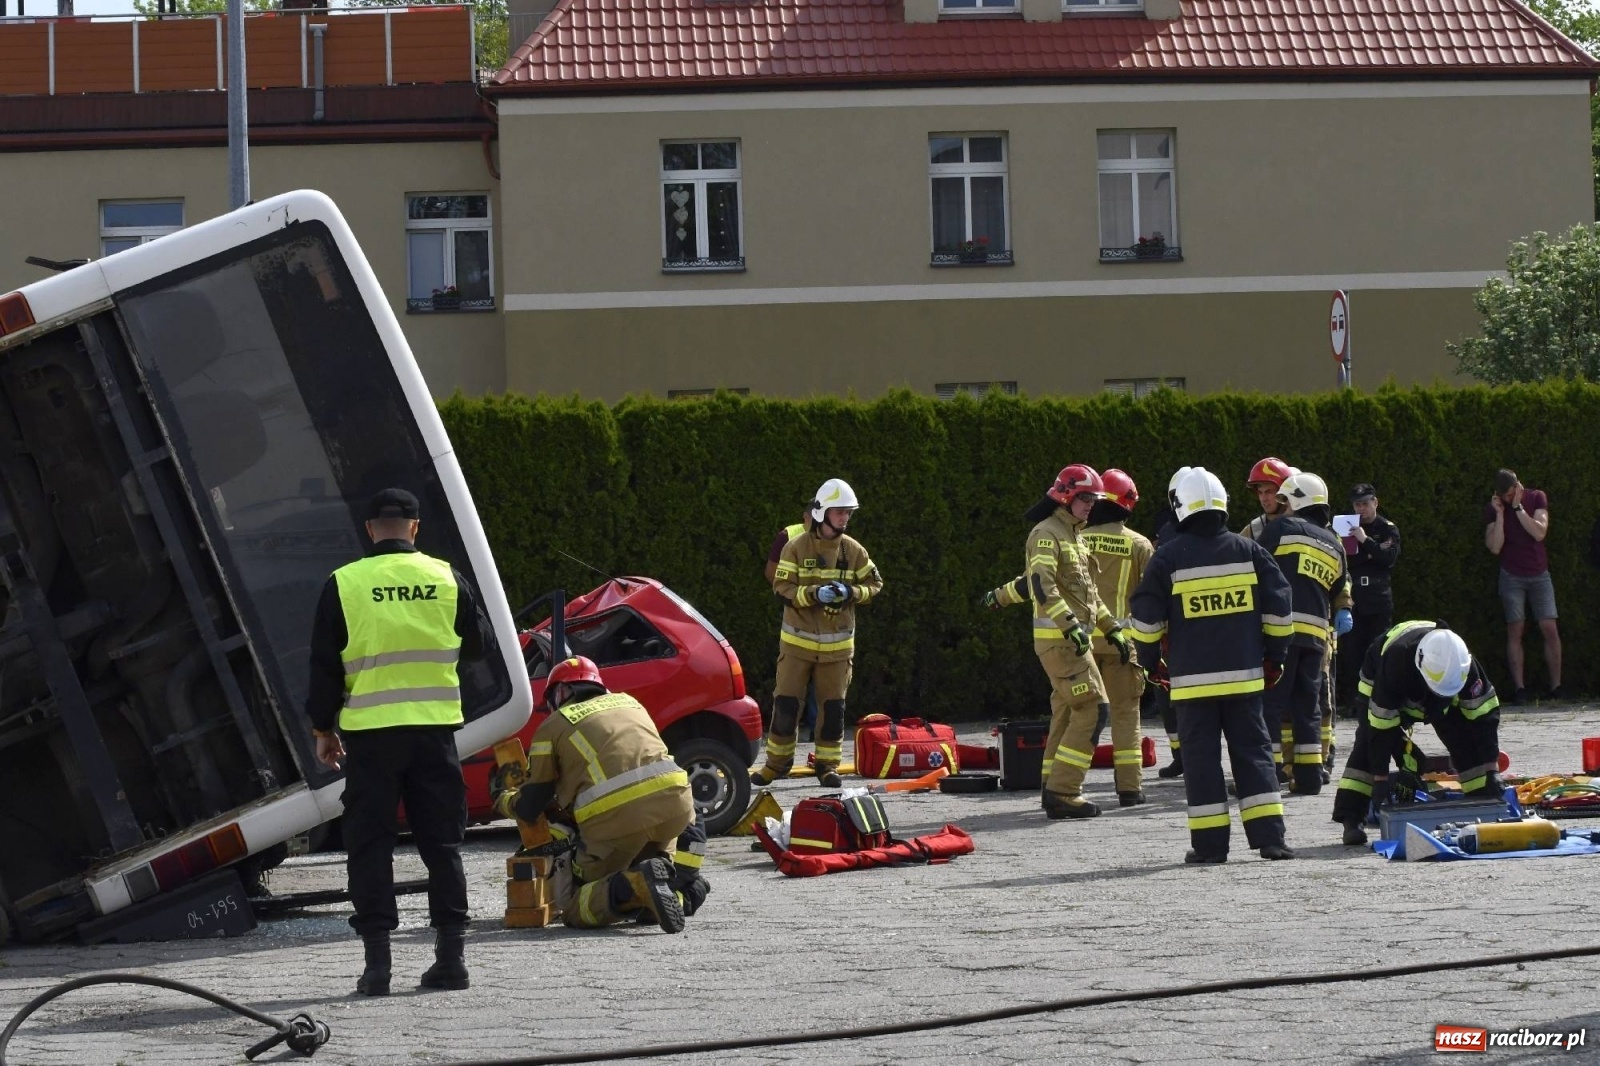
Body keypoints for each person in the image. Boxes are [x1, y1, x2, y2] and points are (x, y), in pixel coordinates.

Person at [305, 488, 494, 997]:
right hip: (434, 734)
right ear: (414, 527)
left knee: (370, 847)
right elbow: (477, 647)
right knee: (443, 845)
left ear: (369, 529)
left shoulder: (344, 583)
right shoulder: (446, 578)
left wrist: (324, 730)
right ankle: (451, 961)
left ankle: (377, 970)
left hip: (370, 738)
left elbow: (323, 667)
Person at [1129, 467, 1296, 863]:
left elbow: (1147, 621)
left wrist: (1152, 665)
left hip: (1191, 686)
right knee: (1254, 755)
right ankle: (1271, 839)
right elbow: (1280, 612)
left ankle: (1209, 847)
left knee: (1201, 764)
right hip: (1244, 681)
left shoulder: (1167, 558)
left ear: (1179, 507)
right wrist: (1275, 658)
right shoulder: (1250, 551)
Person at [492, 655, 699, 931]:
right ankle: (676, 890)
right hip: (677, 809)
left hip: (618, 820)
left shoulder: (553, 725)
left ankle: (633, 886)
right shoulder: (631, 703)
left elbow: (532, 803)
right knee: (648, 861)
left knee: (578, 904)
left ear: (561, 692)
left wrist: (504, 800)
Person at [985, 465, 1132, 818]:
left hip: (1069, 643)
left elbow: (1090, 595)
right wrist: (1071, 627)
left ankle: (1052, 785)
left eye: (1093, 499)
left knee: (1068, 712)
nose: (1090, 506)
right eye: (1084, 498)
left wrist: (1111, 628)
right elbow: (1041, 586)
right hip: (1061, 644)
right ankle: (1064, 793)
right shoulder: (1046, 534)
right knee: (1095, 709)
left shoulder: (1075, 536)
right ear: (1065, 495)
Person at [752, 478, 883, 789]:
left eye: (848, 513)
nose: (845, 518)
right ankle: (776, 765)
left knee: (832, 710)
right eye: (840, 512)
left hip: (838, 650)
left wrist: (849, 591)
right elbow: (782, 587)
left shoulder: (854, 551)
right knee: (786, 705)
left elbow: (875, 586)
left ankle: (827, 766)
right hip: (797, 644)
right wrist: (813, 595)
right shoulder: (796, 547)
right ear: (823, 512)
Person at [1331, 622, 1501, 845]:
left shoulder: (1464, 665)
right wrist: (1380, 779)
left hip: (1435, 691)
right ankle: (1352, 819)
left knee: (1465, 740)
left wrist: (1492, 768)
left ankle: (1482, 803)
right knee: (1367, 743)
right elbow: (1380, 729)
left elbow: (1483, 718)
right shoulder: (1396, 662)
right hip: (1378, 680)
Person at [1257, 473, 1348, 796]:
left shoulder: (1281, 529)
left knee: (1270, 703)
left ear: (1296, 501)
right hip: (1317, 638)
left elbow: (1256, 565)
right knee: (1307, 706)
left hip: (1282, 632)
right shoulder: (1334, 543)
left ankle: (1266, 775)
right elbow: (1338, 589)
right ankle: (1309, 777)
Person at [1080, 469, 1154, 804]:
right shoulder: (1139, 545)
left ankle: (1062, 787)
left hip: (1078, 645)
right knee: (1126, 715)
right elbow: (1153, 597)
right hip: (1123, 645)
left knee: (1076, 715)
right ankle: (1129, 789)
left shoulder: (1073, 539)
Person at [1483, 469, 1561, 702]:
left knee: (1549, 626)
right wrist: (1499, 515)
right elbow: (1495, 547)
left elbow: (1539, 532)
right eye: (1503, 496)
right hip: (1512, 575)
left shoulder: (1536, 497)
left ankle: (1556, 686)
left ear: (1518, 487)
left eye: (1510, 495)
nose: (1507, 499)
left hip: (1539, 573)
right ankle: (1520, 688)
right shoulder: (1495, 508)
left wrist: (1518, 508)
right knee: (1515, 629)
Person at [1338, 483, 1400, 713]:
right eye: (1357, 504)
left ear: (1375, 502)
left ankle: (1379, 700)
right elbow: (1346, 561)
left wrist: (1365, 541)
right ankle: (1355, 702)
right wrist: (1370, 553)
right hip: (1355, 597)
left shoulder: (1387, 528)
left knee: (1379, 651)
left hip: (1378, 597)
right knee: (1353, 652)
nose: (1361, 508)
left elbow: (1388, 558)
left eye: (1365, 503)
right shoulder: (1345, 527)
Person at [764, 508, 818, 742]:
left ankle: (817, 733)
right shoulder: (789, 535)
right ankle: (784, 741)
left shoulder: (835, 537)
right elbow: (772, 573)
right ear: (806, 515)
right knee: (791, 686)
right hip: (797, 617)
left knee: (823, 682)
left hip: (824, 618)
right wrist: (794, 595)